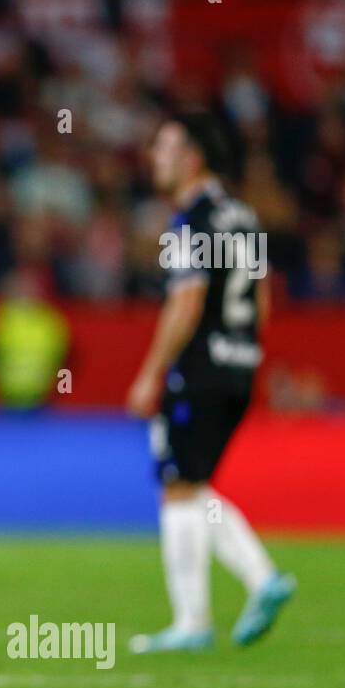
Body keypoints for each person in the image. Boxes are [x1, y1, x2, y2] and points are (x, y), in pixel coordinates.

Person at [126, 112, 294, 654]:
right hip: (241, 364)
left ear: (193, 158)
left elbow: (187, 300)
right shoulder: (243, 216)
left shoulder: (190, 222)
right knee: (194, 484)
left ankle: (197, 618)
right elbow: (263, 302)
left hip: (198, 367)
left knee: (178, 483)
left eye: (166, 147)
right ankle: (257, 581)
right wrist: (241, 353)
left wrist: (152, 370)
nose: (156, 155)